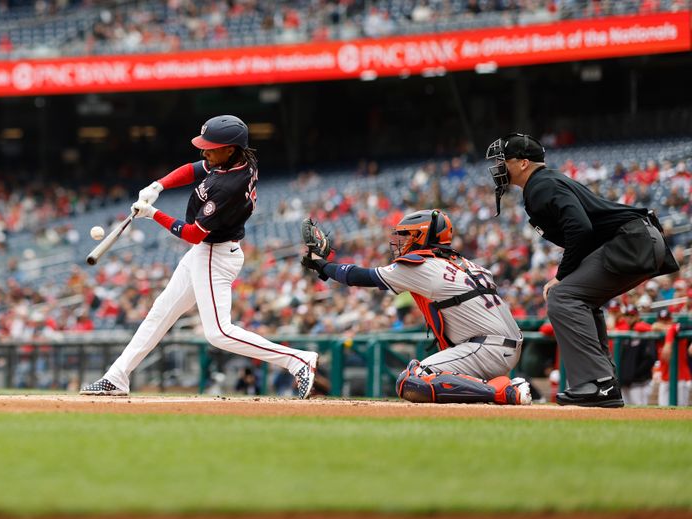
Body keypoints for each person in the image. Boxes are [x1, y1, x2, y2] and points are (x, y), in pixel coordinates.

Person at [81, 115, 318, 399]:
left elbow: (194, 234)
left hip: (214, 254)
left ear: (230, 149)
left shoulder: (229, 186)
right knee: (160, 311)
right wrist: (159, 185)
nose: (205, 151)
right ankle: (116, 376)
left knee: (218, 332)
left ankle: (298, 360)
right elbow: (196, 169)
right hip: (208, 252)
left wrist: (153, 214)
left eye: (212, 147)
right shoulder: (236, 158)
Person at [485, 133, 679, 407]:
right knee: (581, 299)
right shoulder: (544, 182)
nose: (500, 166)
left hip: (632, 241)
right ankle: (604, 382)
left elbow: (580, 228)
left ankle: (598, 384)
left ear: (524, 163)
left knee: (562, 297)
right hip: (638, 239)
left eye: (505, 160)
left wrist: (561, 276)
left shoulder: (541, 184)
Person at [301, 209, 531, 405]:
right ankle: (504, 386)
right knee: (421, 374)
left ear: (421, 237)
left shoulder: (423, 265)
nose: (399, 241)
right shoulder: (469, 265)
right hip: (502, 346)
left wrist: (322, 264)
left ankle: (503, 391)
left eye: (406, 235)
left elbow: (359, 276)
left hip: (487, 348)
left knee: (412, 378)